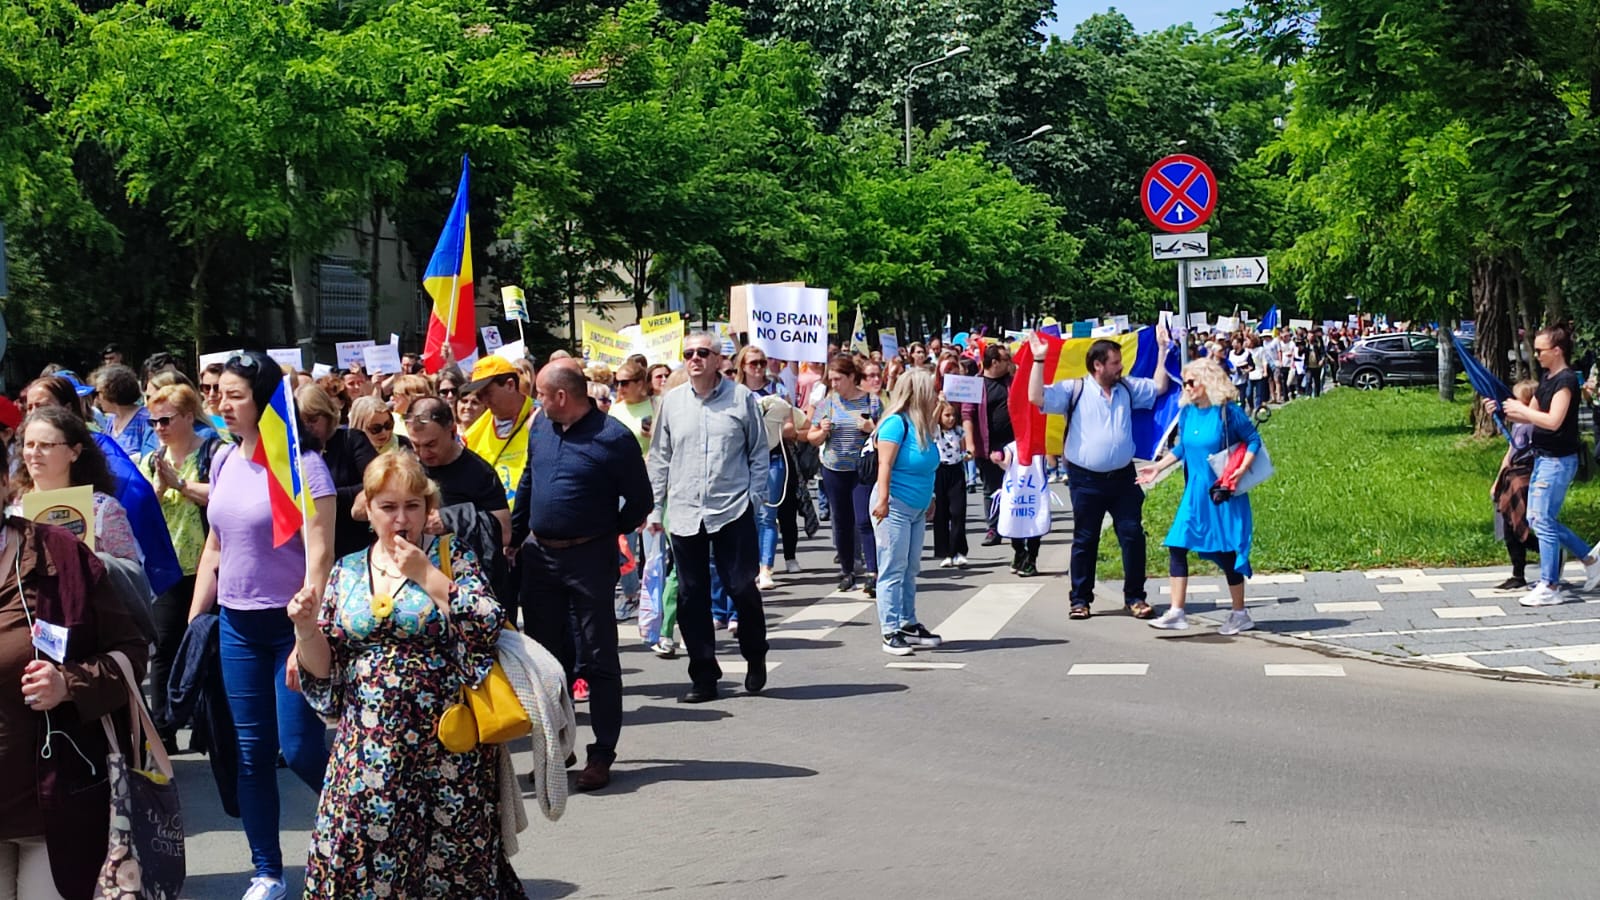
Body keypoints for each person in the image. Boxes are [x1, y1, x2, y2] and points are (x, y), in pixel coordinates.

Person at [290, 452, 523, 896]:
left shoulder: (451, 556)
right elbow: (325, 668)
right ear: (369, 509)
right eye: (389, 507)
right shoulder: (348, 570)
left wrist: (427, 575)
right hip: (368, 746)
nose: (402, 518)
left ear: (427, 507)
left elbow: (487, 621)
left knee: (453, 865)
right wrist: (304, 629)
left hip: (448, 747)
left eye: (413, 505)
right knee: (354, 851)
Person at [187, 351, 335, 900]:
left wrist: (306, 629)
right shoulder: (223, 459)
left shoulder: (304, 464)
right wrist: (196, 619)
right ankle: (267, 872)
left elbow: (320, 555)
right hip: (237, 627)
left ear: (266, 399)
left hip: (293, 625)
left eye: (235, 395)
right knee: (249, 756)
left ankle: (371, 818)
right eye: (218, 394)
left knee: (298, 749)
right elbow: (216, 545)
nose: (222, 404)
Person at [0, 438, 150, 900]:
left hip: (52, 801)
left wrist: (69, 683)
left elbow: (130, 651)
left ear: (4, 483)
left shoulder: (60, 555)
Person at [512, 361, 652, 791]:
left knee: (598, 657)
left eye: (540, 393)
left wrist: (606, 532)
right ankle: (558, 746)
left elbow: (640, 500)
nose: (535, 400)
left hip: (589, 560)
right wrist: (514, 538)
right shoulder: (541, 428)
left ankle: (602, 752)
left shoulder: (613, 438)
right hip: (541, 559)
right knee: (547, 662)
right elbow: (528, 484)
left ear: (561, 396)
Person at [648, 332, 769, 704]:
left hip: (731, 508)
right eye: (688, 353)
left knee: (741, 587)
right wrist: (655, 508)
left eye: (703, 352)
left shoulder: (741, 398)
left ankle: (754, 653)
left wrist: (754, 496)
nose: (695, 358)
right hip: (684, 511)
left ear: (718, 359)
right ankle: (703, 674)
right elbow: (660, 457)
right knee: (690, 595)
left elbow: (758, 451)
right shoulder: (672, 403)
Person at [1026, 328, 1173, 620]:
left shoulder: (1127, 389)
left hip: (1122, 477)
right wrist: (1038, 361)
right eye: (1115, 363)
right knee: (1085, 539)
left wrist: (1162, 349)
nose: (1120, 368)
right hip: (1085, 479)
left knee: (1132, 535)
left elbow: (1159, 386)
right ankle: (1080, 599)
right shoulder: (1074, 389)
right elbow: (1036, 397)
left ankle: (1135, 598)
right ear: (1098, 365)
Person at [1136, 357, 1261, 634]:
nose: (1187, 387)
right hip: (1194, 493)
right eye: (1185, 383)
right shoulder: (1189, 412)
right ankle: (1177, 611)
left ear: (1206, 382)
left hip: (1222, 492)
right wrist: (1157, 468)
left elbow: (1253, 440)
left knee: (1226, 553)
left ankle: (1240, 613)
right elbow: (1182, 449)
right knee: (1177, 545)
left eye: (1191, 382)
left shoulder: (1227, 412)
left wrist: (1240, 471)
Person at [1487, 324, 1600, 606]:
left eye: (1540, 350)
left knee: (1543, 521)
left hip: (1559, 461)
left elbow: (1553, 420)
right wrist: (1502, 410)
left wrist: (1522, 410)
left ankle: (1550, 585)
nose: (1535, 354)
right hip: (1543, 458)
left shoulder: (1566, 381)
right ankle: (1589, 558)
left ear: (1557, 350)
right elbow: (1530, 416)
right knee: (1539, 519)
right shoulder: (1548, 378)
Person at [140, 384, 218, 739]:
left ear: (189, 416)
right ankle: (164, 728)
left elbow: (221, 499)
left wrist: (182, 484)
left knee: (206, 645)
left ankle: (206, 724)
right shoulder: (151, 459)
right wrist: (158, 487)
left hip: (208, 565)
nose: (159, 427)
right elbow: (138, 513)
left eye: (166, 419)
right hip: (167, 566)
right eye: (154, 421)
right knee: (165, 648)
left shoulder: (214, 453)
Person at [869, 369, 943, 656]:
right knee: (892, 568)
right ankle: (890, 630)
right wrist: (884, 500)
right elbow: (884, 465)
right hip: (894, 505)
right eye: (931, 389)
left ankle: (907, 622)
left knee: (910, 568)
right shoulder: (895, 424)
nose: (935, 393)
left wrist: (931, 496)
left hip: (916, 506)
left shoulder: (921, 424)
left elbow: (928, 465)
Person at [11, 407, 141, 563]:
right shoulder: (11, 510)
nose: (35, 453)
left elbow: (131, 574)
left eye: (46, 445)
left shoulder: (102, 510)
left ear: (74, 452)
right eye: (29, 445)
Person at [807, 355, 879, 593]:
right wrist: (822, 432)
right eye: (831, 379)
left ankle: (872, 572)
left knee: (864, 520)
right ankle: (847, 571)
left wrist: (871, 428)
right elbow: (811, 436)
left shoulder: (871, 401)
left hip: (861, 470)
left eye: (838, 379)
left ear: (851, 377)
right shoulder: (827, 403)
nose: (834, 384)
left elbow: (888, 431)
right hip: (834, 469)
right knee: (841, 521)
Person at [735, 346, 800, 587]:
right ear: (743, 366)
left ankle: (766, 568)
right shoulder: (734, 392)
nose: (759, 367)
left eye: (762, 362)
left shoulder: (778, 389)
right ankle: (749, 564)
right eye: (753, 363)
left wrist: (772, 427)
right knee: (746, 515)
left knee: (768, 515)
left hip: (772, 456)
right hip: (741, 460)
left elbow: (791, 426)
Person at [297, 385, 377, 559]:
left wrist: (328, 498)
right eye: (301, 422)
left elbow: (377, 483)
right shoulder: (297, 453)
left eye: (312, 419)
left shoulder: (352, 440)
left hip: (355, 543)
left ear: (328, 414)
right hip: (313, 546)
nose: (307, 427)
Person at [461, 357, 534, 509]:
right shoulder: (472, 435)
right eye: (479, 396)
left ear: (510, 385)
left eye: (487, 393)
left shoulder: (542, 419)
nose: (484, 401)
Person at [962, 343, 1015, 546]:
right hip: (988, 445)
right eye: (1005, 359)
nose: (1009, 362)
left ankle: (1014, 525)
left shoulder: (1011, 381)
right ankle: (993, 528)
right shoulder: (976, 384)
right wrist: (970, 443)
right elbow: (967, 414)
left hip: (1013, 445)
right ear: (994, 363)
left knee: (1013, 486)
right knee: (991, 488)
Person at [1493, 381, 1540, 591]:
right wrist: (1498, 481)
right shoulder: (1517, 424)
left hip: (1524, 477)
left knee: (1520, 523)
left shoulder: (1532, 424)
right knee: (1508, 526)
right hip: (1510, 476)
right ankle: (1517, 573)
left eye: (1517, 398)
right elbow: (1510, 452)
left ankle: (1548, 551)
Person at [92, 364, 158, 461]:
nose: (96, 399)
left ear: (112, 391)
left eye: (98, 393)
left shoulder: (145, 418)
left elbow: (150, 456)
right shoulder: (111, 420)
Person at [931, 400, 969, 568]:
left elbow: (964, 448)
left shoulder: (959, 431)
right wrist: (939, 404)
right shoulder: (936, 431)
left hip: (956, 471)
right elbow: (931, 422)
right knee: (941, 513)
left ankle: (958, 551)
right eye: (947, 415)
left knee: (958, 511)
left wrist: (967, 455)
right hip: (940, 471)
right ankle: (945, 552)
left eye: (953, 415)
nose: (951, 418)